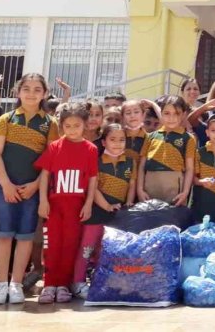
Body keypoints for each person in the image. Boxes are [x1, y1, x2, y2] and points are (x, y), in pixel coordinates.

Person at [0, 73, 57, 305]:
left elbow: (50, 160)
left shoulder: (50, 123)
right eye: (26, 88)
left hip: (32, 189)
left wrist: (36, 185)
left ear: (45, 93)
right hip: (4, 187)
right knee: (3, 235)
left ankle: (16, 283)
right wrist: (6, 185)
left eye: (37, 89)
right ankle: (1, 284)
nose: (31, 93)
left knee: (26, 236)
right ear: (18, 92)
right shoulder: (6, 119)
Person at [34, 102, 99, 304]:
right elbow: (45, 175)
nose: (72, 130)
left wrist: (88, 204)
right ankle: (49, 284)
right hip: (54, 206)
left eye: (76, 126)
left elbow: (93, 179)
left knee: (70, 246)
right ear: (61, 126)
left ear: (85, 125)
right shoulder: (55, 147)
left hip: (76, 206)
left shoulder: (90, 149)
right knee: (51, 245)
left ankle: (63, 284)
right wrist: (43, 200)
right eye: (68, 126)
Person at [71, 122, 135, 300]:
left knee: (105, 249)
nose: (117, 143)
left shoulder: (130, 162)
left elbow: (132, 184)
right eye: (113, 139)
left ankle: (101, 282)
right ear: (104, 142)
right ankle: (77, 282)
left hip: (117, 214)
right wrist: (106, 206)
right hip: (97, 211)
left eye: (122, 140)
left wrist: (129, 202)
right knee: (87, 248)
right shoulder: (96, 161)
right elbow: (93, 188)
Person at [137, 96, 195, 206]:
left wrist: (185, 192)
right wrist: (140, 189)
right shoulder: (150, 137)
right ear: (161, 114)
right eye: (167, 113)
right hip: (150, 184)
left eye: (176, 113)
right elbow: (141, 166)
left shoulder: (188, 138)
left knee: (172, 215)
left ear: (183, 114)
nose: (171, 118)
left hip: (174, 186)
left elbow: (189, 168)